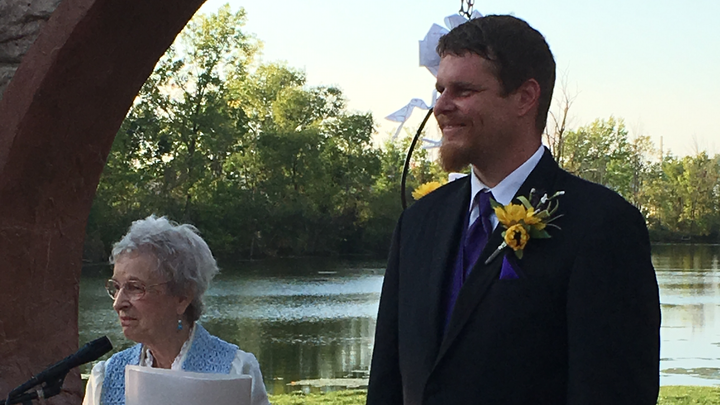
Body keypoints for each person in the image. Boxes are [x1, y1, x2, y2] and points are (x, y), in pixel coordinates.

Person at [367, 15, 660, 405]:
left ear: (525, 97)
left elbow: (614, 391)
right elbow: (387, 382)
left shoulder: (601, 225)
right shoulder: (418, 222)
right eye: (440, 90)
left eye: (463, 90)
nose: (441, 107)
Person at [83, 215, 270, 405]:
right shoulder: (106, 377)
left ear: (182, 297)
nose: (118, 303)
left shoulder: (236, 370)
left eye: (135, 287)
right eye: (116, 287)